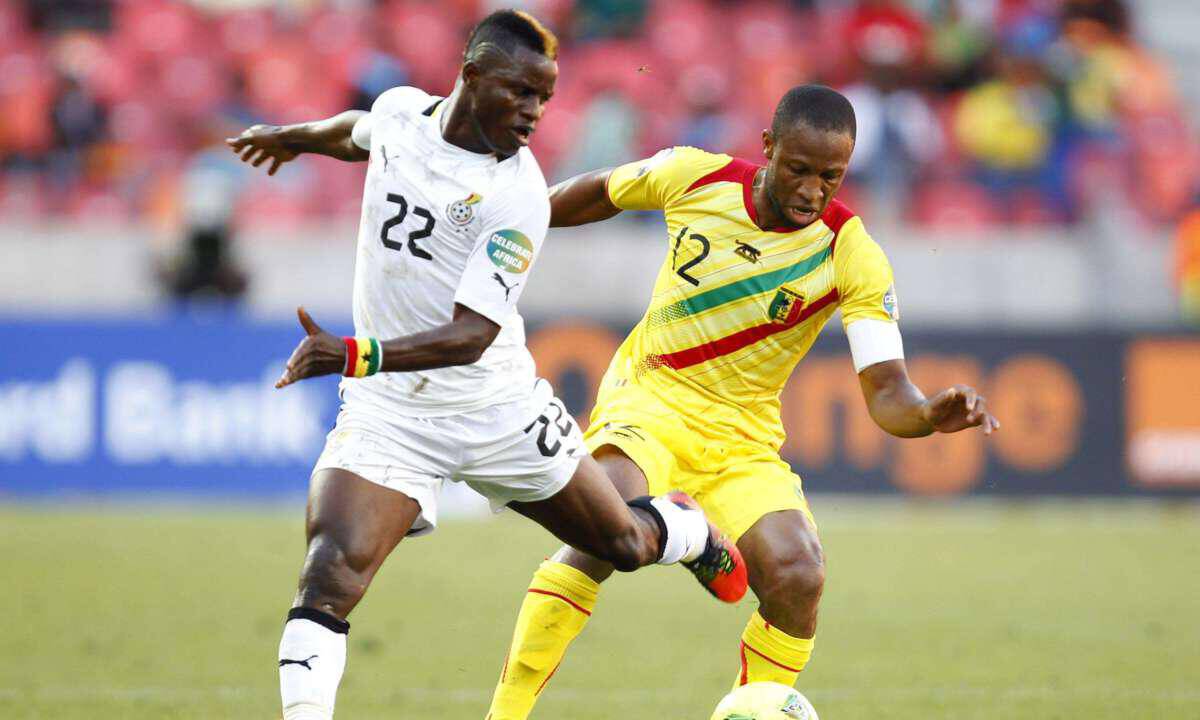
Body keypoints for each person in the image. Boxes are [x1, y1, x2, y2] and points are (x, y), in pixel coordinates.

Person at [225, 11, 747, 720]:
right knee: (329, 573)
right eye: (522, 92)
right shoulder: (402, 112)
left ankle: (683, 531)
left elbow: (470, 335)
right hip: (392, 411)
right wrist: (293, 138)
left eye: (545, 98)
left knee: (622, 543)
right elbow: (359, 134)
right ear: (471, 77)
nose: (535, 114)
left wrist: (351, 353)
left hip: (494, 407)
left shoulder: (518, 194)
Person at [485, 84, 1001, 720]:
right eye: (799, 170)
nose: (813, 191)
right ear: (768, 149)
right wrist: (513, 218)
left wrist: (925, 416)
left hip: (742, 440)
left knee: (799, 574)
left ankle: (747, 705)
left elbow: (888, 391)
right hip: (651, 401)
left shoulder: (851, 253)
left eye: (831, 177)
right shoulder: (693, 177)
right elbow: (595, 193)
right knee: (604, 519)